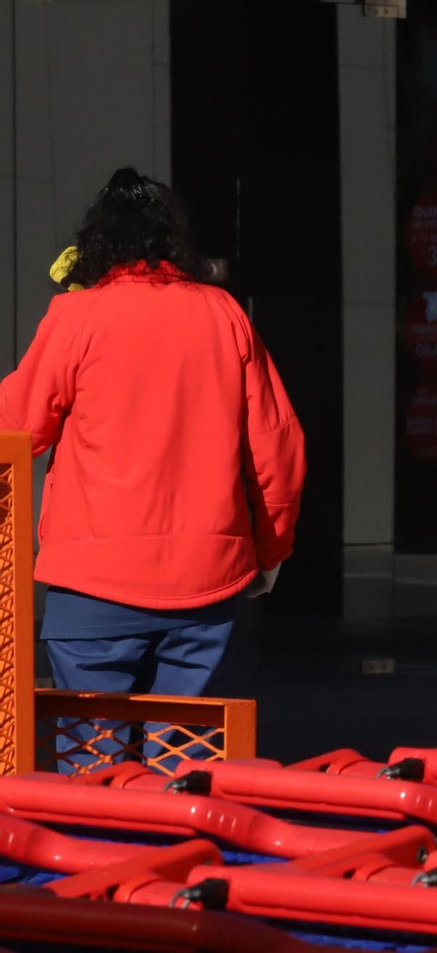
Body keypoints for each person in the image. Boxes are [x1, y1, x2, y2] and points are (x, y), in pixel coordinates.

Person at [0, 167, 306, 702]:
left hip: (92, 587)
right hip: (205, 585)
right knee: (185, 771)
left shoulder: (77, 316)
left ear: (95, 243)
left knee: (94, 771)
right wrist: (269, 552)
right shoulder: (224, 314)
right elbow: (278, 450)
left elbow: (15, 427)